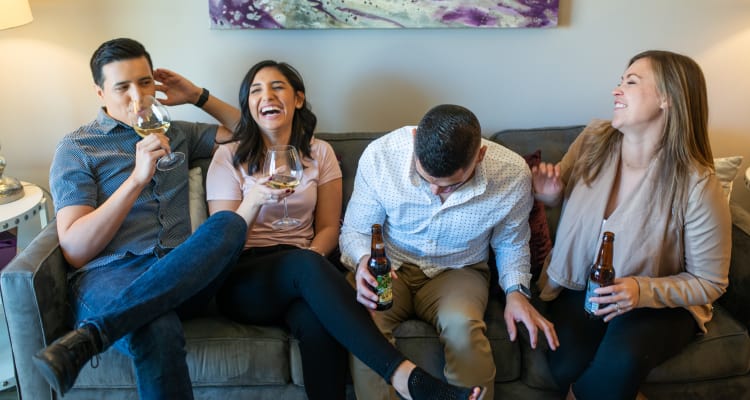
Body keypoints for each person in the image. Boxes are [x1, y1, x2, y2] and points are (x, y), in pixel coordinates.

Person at [206, 60, 483, 400]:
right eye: (256, 90)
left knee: (318, 326)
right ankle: (407, 379)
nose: (267, 96)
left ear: (297, 99)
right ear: (248, 105)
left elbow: (327, 228)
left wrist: (309, 264)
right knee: (304, 266)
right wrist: (256, 198)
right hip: (246, 275)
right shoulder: (227, 157)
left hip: (306, 268)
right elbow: (220, 241)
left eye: (277, 87)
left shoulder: (319, 153)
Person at [30, 38, 287, 399]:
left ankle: (94, 334)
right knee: (157, 326)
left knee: (229, 223)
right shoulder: (78, 148)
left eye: (145, 82)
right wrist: (136, 179)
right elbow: (74, 249)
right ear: (100, 93)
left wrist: (198, 95)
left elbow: (254, 135)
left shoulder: (177, 132)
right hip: (110, 276)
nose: (139, 96)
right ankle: (101, 329)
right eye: (123, 87)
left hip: (184, 273)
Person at [532, 50, 731, 400]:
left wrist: (641, 291)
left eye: (631, 82)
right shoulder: (593, 140)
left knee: (618, 364)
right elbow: (560, 200)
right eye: (620, 81)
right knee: (564, 365)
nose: (616, 91)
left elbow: (710, 281)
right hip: (586, 285)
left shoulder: (697, 184)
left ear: (668, 98)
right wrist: (549, 196)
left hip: (659, 301)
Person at [340, 104, 560, 400]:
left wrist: (516, 292)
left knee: (463, 326)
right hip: (390, 266)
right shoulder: (382, 156)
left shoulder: (510, 174)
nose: (434, 192)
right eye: (425, 179)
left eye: (449, 186)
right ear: (416, 139)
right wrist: (364, 260)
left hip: (459, 271)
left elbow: (511, 242)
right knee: (364, 324)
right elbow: (355, 231)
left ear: (479, 156)